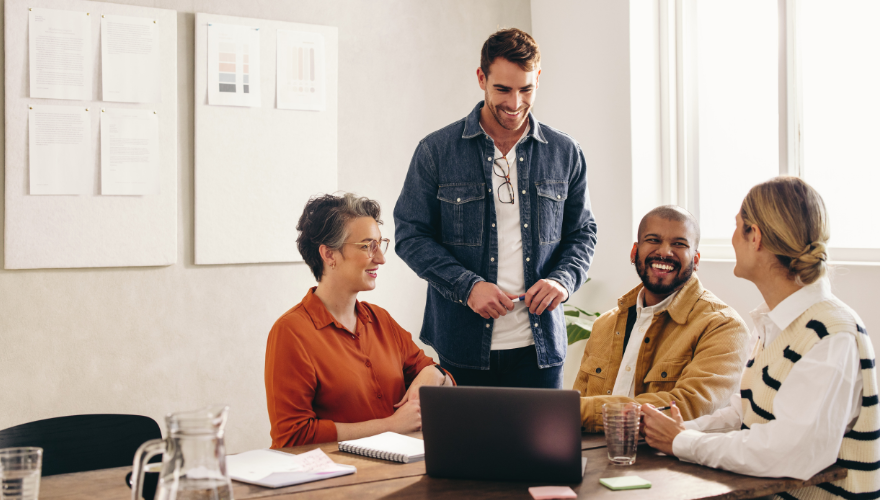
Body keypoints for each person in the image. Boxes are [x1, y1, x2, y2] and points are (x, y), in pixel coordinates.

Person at [642, 177, 879, 499]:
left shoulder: (831, 334)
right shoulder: (773, 323)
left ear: (755, 236)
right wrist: (678, 431)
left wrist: (681, 442)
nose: (732, 239)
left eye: (738, 227)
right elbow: (743, 416)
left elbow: (790, 453)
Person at [393, 28, 598, 389]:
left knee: (541, 448)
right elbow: (410, 234)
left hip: (541, 350)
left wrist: (561, 282)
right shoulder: (436, 151)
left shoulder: (565, 152)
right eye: (502, 89)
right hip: (463, 347)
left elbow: (583, 233)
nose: (515, 103)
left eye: (526, 89)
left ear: (538, 79)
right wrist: (467, 287)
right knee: (467, 447)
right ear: (481, 78)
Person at [264, 193, 454, 448]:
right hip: (338, 480)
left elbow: (442, 376)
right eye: (367, 246)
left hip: (401, 470)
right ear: (329, 255)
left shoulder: (381, 320)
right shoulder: (291, 332)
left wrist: (432, 374)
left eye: (379, 244)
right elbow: (292, 435)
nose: (381, 258)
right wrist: (390, 426)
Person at [574, 206, 750, 432]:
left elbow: (689, 406)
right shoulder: (604, 325)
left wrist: (582, 412)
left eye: (679, 244)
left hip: (667, 462)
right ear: (634, 252)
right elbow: (575, 406)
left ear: (695, 260)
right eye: (653, 240)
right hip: (595, 457)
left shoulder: (723, 326)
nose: (665, 252)